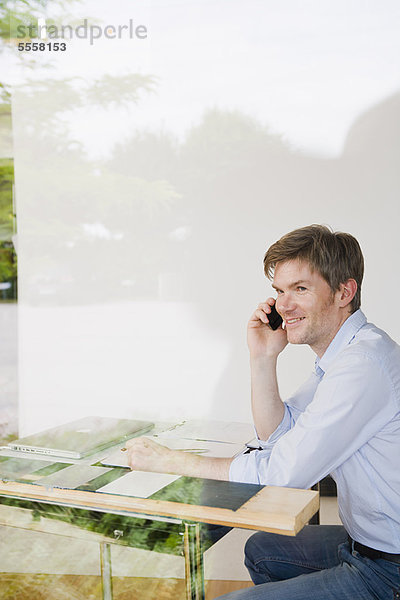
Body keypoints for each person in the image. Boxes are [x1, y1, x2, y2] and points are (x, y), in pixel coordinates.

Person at [126, 224, 400, 600]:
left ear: (344, 292)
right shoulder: (340, 358)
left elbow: (282, 474)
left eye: (300, 289)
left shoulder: (362, 365)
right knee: (263, 550)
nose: (284, 305)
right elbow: (278, 435)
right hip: (362, 545)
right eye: (279, 291)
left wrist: (172, 461)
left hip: (390, 571)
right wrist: (262, 357)